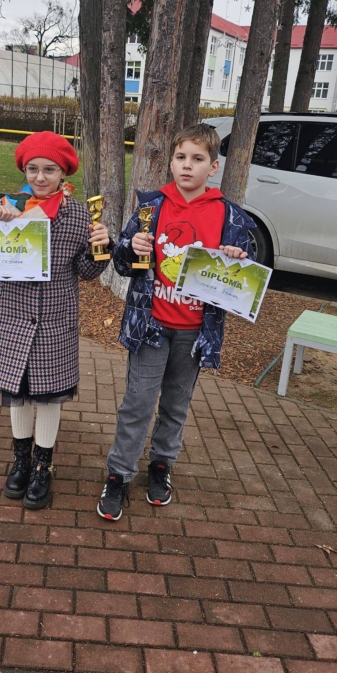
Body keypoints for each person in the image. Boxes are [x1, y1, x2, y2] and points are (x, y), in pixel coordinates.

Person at [97, 123, 257, 521]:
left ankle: (161, 465)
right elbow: (122, 263)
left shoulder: (230, 217)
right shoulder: (151, 208)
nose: (187, 165)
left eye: (197, 159)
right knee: (137, 403)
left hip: (194, 332)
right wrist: (130, 247)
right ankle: (119, 474)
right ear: (170, 162)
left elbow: (246, 275)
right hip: (150, 325)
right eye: (180, 157)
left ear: (213, 167)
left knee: (175, 404)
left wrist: (237, 258)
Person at [0, 132, 111, 510]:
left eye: (49, 170)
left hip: (55, 321)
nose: (40, 177)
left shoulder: (78, 216)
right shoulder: (7, 205)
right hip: (12, 318)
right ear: (24, 171)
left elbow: (86, 272)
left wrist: (101, 248)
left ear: (63, 173)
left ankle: (43, 466)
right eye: (33, 169)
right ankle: (21, 461)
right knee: (19, 392)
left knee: (49, 395)